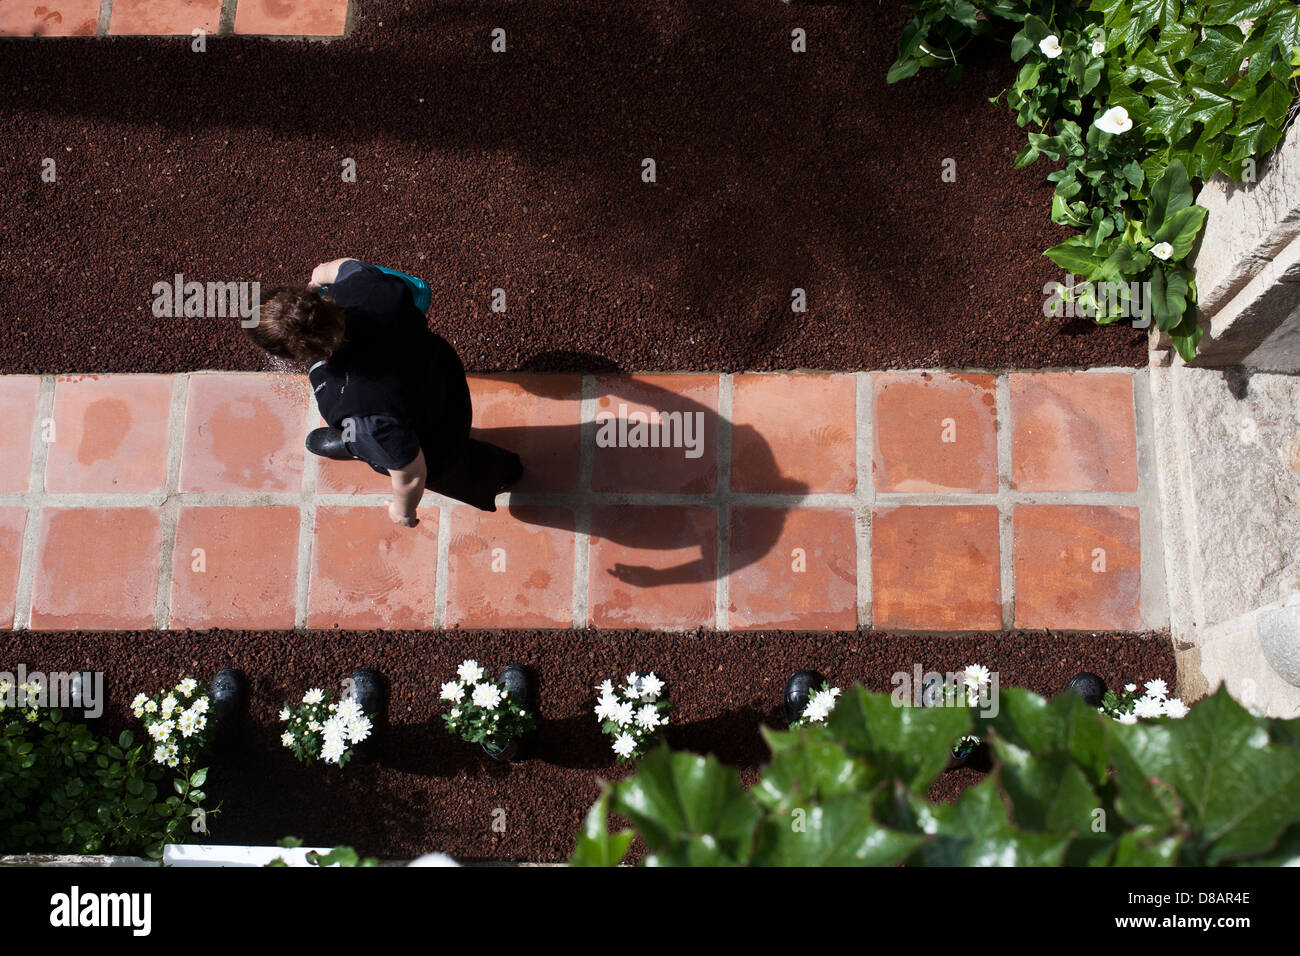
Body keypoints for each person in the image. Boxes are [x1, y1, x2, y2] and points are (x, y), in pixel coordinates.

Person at [245, 258, 522, 525]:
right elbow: (343, 266)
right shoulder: (368, 289)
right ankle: (355, 440)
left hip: (434, 438)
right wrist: (317, 279)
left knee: (444, 462)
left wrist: (403, 512)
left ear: (294, 353)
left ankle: (501, 473)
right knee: (369, 426)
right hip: (444, 378)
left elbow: (412, 475)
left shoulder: (339, 394)